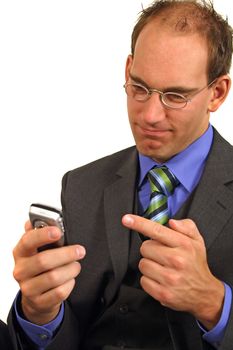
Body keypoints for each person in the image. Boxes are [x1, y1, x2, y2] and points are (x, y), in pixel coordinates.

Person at [7, 0, 233, 349]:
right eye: (139, 88)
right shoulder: (81, 185)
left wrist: (213, 303)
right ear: (127, 70)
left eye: (175, 96)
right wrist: (40, 312)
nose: (150, 115)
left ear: (216, 93)